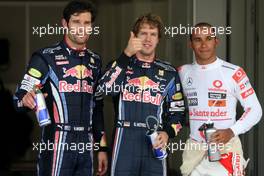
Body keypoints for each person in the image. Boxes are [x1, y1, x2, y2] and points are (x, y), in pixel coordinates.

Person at [14, 1, 108, 176]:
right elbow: (17, 100)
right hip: (57, 141)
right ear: (65, 24)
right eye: (76, 22)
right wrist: (25, 99)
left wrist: (102, 148)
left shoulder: (95, 61)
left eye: (87, 23)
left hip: (86, 145)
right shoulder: (44, 57)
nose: (81, 28)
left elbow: (98, 109)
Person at [96, 13, 185, 176]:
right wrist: (126, 55)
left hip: (154, 141)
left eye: (153, 34)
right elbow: (103, 90)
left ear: (158, 39)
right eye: (143, 33)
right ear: (134, 36)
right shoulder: (120, 65)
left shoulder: (169, 72)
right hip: (124, 140)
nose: (148, 39)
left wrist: (167, 133)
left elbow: (178, 113)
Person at [178, 22, 262, 176]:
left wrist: (231, 131)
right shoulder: (183, 72)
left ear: (216, 41)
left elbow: (255, 110)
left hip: (227, 149)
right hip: (194, 151)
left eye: (208, 38)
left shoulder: (234, 72)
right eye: (198, 39)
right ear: (190, 44)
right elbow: (171, 106)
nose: (204, 44)